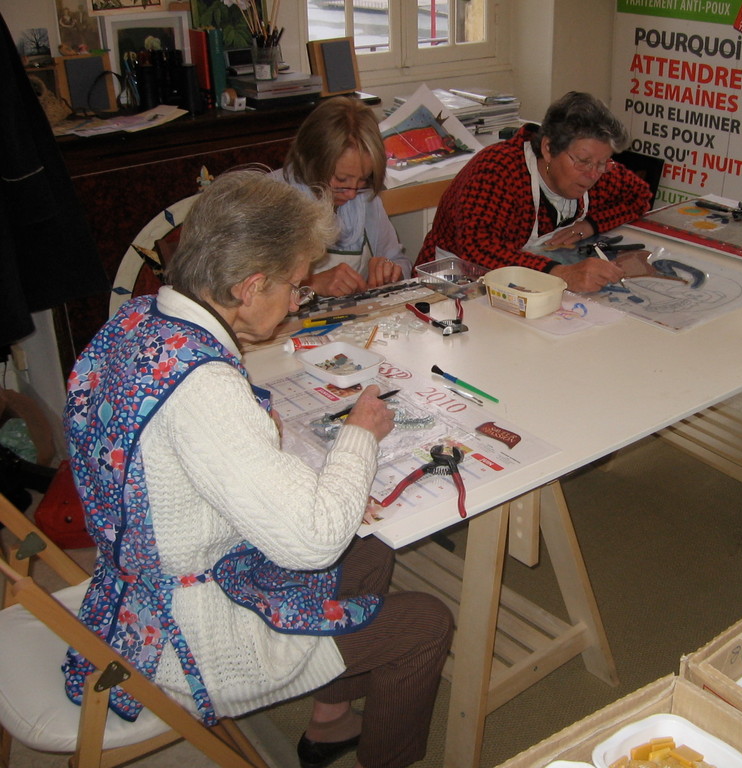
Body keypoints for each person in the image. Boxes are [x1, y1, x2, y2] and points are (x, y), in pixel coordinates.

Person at [62, 168, 453, 768]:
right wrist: (357, 437)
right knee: (425, 620)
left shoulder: (140, 321)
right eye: (295, 287)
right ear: (249, 286)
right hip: (182, 633)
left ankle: (329, 722)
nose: (300, 300)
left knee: (370, 548)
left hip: (133, 581)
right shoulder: (204, 389)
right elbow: (312, 542)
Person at [416, 91, 652, 294]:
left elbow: (639, 196)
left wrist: (590, 225)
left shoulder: (597, 171)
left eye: (603, 163)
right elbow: (479, 249)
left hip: (528, 289)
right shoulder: (496, 170)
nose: (593, 174)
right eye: (582, 161)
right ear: (548, 148)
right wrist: (560, 274)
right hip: (454, 287)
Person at [273, 96, 411, 297]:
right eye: (341, 179)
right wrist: (310, 285)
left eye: (363, 180)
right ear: (311, 162)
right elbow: (246, 301)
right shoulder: (270, 203)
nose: (352, 193)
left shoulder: (365, 200)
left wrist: (392, 272)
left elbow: (400, 261)